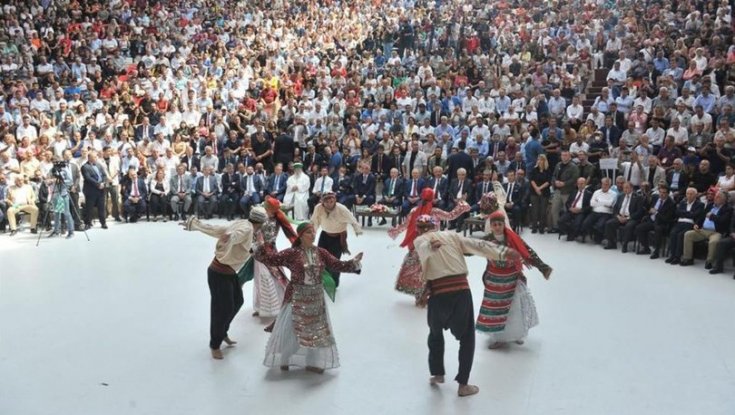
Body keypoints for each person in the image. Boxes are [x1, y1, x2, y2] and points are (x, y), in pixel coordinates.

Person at [413, 215, 519, 397]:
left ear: (420, 228)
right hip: (460, 291)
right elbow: (477, 245)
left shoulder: (420, 240)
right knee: (467, 338)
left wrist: (430, 247)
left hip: (438, 294)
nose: (423, 231)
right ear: (436, 226)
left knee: (435, 334)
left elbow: (424, 250)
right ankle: (463, 385)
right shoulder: (451, 236)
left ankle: (438, 373)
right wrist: (502, 251)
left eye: (422, 227)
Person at [253, 222, 363, 374]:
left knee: (315, 331)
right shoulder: (292, 253)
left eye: (313, 232)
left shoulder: (321, 252)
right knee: (293, 329)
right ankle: (285, 357)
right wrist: (259, 247)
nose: (313, 235)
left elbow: (336, 264)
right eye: (308, 232)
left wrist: (353, 263)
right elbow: (271, 259)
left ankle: (312, 362)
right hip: (297, 296)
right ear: (301, 235)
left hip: (316, 298)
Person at [181, 207, 266, 360]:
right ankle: (215, 344)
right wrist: (229, 237)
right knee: (221, 310)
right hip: (219, 273)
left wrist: (196, 225)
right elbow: (235, 235)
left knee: (237, 301)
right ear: (261, 222)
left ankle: (222, 332)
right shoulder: (246, 230)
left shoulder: (244, 223)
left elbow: (218, 229)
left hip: (229, 273)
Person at [476, 211, 552, 349]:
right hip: (495, 280)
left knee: (514, 308)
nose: (497, 227)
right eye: (494, 224)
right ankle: (500, 338)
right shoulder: (486, 240)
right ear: (491, 226)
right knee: (497, 309)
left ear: (504, 224)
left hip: (512, 278)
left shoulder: (513, 238)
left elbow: (528, 252)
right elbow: (470, 248)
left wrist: (542, 267)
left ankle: (516, 334)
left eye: (500, 224)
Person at [388, 188, 470, 304]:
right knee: (432, 271)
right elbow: (451, 216)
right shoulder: (435, 211)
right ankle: (430, 295)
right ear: (432, 198)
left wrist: (395, 231)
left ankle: (419, 295)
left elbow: (405, 225)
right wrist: (461, 204)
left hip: (417, 246)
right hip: (433, 247)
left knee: (417, 272)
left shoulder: (414, 211)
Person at [252, 197, 298, 323]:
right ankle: (260, 307)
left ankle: (278, 309)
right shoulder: (258, 214)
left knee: (276, 278)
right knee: (261, 278)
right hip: (258, 252)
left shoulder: (278, 218)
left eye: (272, 210)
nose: (269, 211)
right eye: (268, 208)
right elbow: (253, 231)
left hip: (271, 252)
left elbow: (290, 233)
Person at [311, 192, 363, 287]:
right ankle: (323, 279)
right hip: (324, 235)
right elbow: (315, 221)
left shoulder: (341, 208)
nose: (330, 203)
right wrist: (312, 234)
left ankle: (334, 282)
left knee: (334, 261)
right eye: (326, 202)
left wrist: (357, 229)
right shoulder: (318, 208)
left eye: (332, 201)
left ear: (335, 200)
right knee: (320, 258)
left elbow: (352, 220)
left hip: (338, 237)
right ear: (322, 202)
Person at [48, 160, 75, 238]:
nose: (55, 164)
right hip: (55, 193)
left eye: (57, 162)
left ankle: (71, 231)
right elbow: (48, 179)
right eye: (54, 162)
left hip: (63, 194)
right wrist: (50, 181)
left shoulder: (65, 169)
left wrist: (61, 181)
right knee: (56, 213)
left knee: (66, 212)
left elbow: (70, 181)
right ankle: (56, 231)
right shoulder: (52, 169)